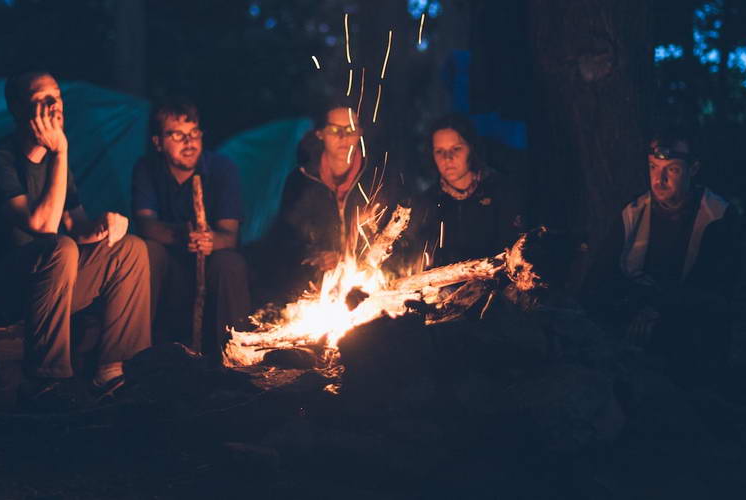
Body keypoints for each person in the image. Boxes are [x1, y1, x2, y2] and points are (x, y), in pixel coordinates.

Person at [0, 71, 151, 409]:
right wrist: (60, 152)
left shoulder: (57, 164)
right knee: (60, 247)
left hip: (43, 287)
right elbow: (42, 224)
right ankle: (48, 381)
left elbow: (76, 224)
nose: (55, 106)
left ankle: (114, 372)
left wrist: (106, 225)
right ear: (17, 109)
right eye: (42, 99)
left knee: (129, 250)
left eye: (57, 96)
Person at [585, 130, 741, 388]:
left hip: (688, 325)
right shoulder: (634, 213)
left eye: (673, 170)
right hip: (635, 314)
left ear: (693, 169)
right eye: (653, 168)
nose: (660, 179)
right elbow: (600, 275)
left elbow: (714, 285)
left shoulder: (717, 216)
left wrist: (660, 308)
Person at [130, 98, 250, 359]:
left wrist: (209, 241)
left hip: (210, 267)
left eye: (194, 133)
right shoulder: (147, 169)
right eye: (178, 135)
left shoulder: (221, 168)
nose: (189, 142)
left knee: (229, 263)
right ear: (158, 142)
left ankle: (235, 358)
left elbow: (230, 236)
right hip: (170, 270)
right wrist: (180, 235)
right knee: (146, 251)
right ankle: (139, 355)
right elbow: (145, 224)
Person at [254, 102, 405, 302]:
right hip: (317, 283)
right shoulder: (301, 180)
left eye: (350, 129)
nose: (343, 137)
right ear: (320, 134)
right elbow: (287, 238)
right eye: (335, 130)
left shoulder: (377, 178)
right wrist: (316, 254)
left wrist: (351, 257)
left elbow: (397, 234)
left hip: (369, 277)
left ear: (360, 133)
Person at [408, 114, 527, 268]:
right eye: (439, 151)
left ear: (471, 148)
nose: (447, 158)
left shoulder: (501, 192)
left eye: (456, 149)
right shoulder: (427, 203)